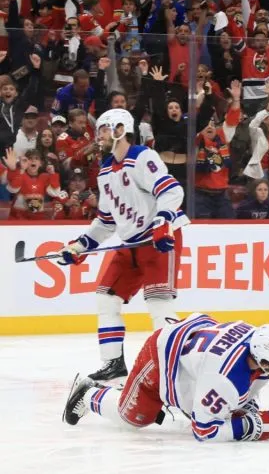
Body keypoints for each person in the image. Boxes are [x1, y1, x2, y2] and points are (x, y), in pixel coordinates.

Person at [55, 109, 190, 384]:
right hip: (130, 243)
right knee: (106, 298)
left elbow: (172, 191)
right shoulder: (105, 171)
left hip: (157, 240)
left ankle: (178, 367)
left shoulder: (142, 156)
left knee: (159, 303)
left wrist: (163, 221)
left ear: (120, 129)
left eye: (103, 129)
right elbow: (106, 222)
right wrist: (79, 246)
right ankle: (113, 363)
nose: (99, 135)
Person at [62, 313, 269, 443]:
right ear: (265, 362)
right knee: (133, 419)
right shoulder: (225, 379)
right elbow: (205, 432)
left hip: (191, 345)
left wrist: (247, 407)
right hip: (160, 355)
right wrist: (252, 426)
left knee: (214, 403)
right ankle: (89, 393)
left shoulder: (255, 341)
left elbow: (247, 384)